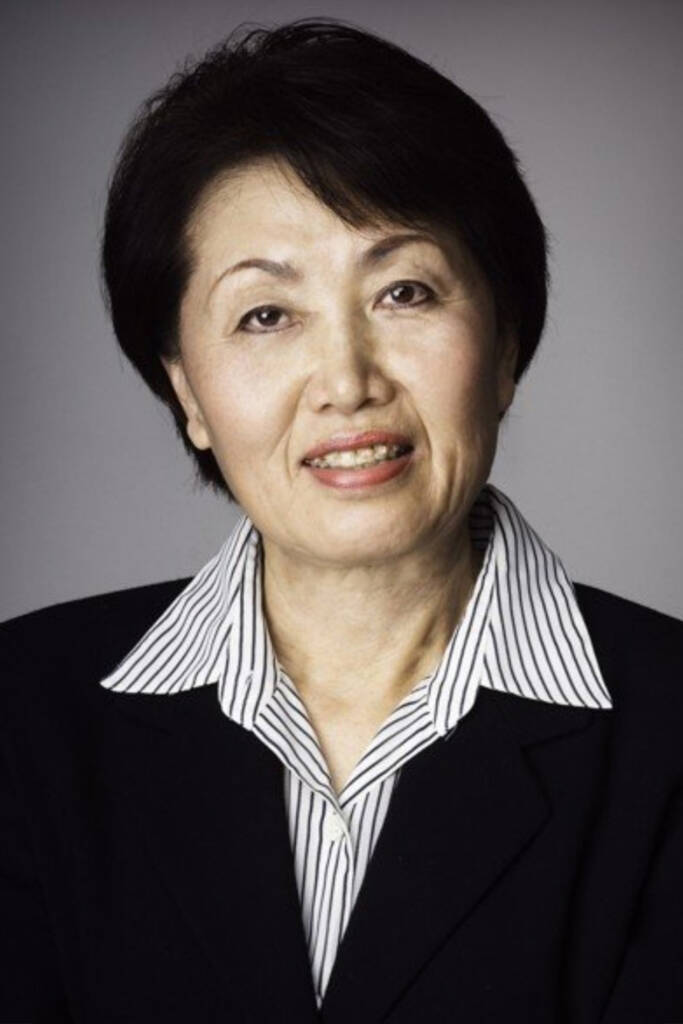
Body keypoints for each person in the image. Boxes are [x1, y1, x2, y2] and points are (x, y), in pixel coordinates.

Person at [1, 17, 682, 1024]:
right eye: (266, 315)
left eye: (403, 291)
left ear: (503, 344)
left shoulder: (667, 734)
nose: (347, 381)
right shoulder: (21, 716)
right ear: (186, 390)